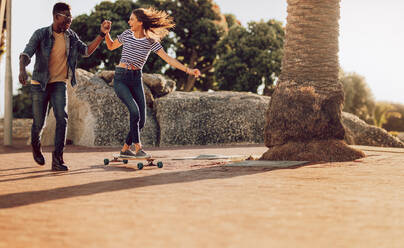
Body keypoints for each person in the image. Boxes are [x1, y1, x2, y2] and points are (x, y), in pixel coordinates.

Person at [19, 2, 108, 171]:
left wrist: (101, 35)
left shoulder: (71, 36)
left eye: (71, 18)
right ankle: (36, 147)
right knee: (39, 123)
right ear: (55, 17)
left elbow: (87, 51)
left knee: (62, 118)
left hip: (59, 83)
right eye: (66, 17)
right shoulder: (41, 34)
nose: (69, 21)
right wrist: (22, 70)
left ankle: (57, 159)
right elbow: (26, 53)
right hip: (40, 84)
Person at [102, 7, 200, 158]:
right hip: (121, 78)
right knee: (134, 112)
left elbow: (168, 59)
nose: (129, 22)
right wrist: (106, 33)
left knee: (141, 120)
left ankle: (124, 149)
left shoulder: (150, 41)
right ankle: (138, 148)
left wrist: (188, 70)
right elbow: (111, 46)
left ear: (140, 22)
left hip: (136, 79)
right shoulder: (127, 34)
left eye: (132, 19)